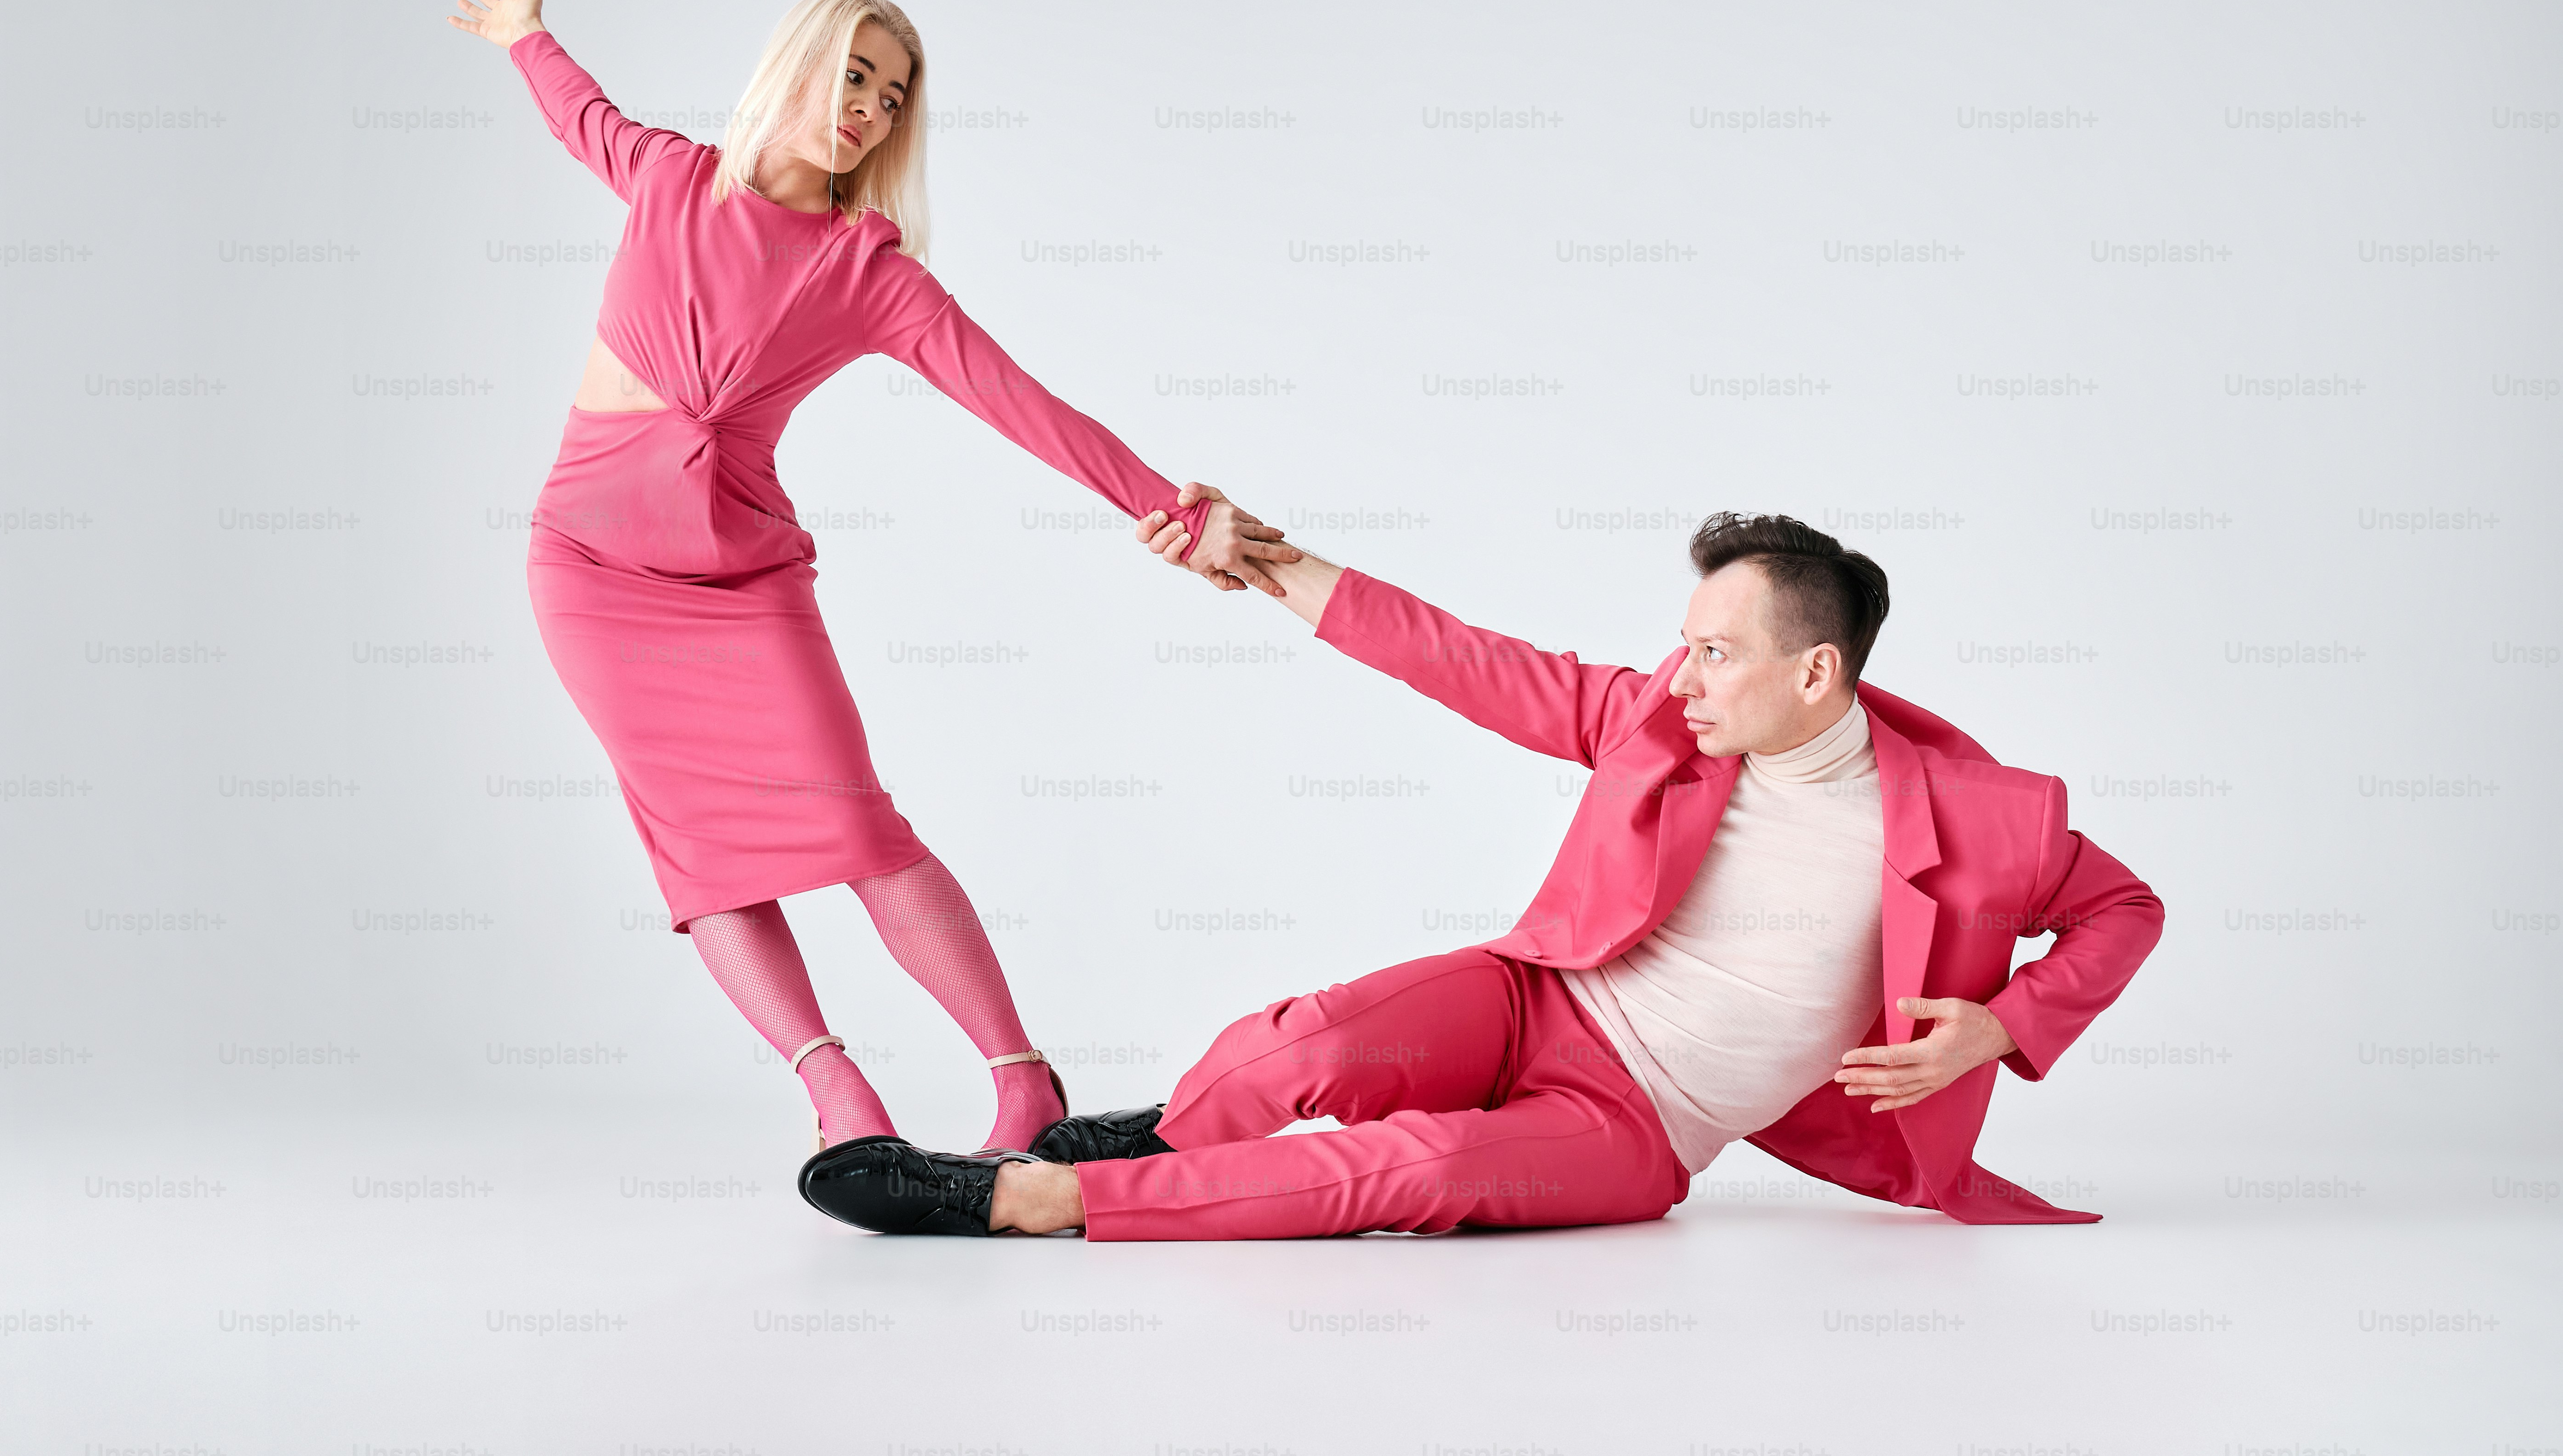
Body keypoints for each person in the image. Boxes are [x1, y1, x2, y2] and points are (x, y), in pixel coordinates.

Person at [450, 0, 1300, 1155]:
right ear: (794, 68)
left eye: (891, 98)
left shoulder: (870, 273)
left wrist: (1167, 508)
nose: (867, 109)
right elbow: (575, 107)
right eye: (852, 75)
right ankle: (836, 1093)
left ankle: (1022, 1080)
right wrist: (522, 35)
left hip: (739, 581)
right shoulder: (668, 175)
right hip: (587, 574)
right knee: (695, 849)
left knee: (857, 826)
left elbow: (1020, 404)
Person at [797, 503, 2164, 1236]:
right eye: (1683, 639)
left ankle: (1021, 1197)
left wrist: (2002, 1024)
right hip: (1542, 1000)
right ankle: (1168, 1131)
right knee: (1301, 1041)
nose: (1680, 672)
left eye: (1714, 652)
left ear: (1816, 672)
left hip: (1637, 1131)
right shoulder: (1664, 717)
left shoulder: (1986, 816)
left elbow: (2124, 905)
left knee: (1402, 1167)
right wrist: (1272, 561)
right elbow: (1474, 663)